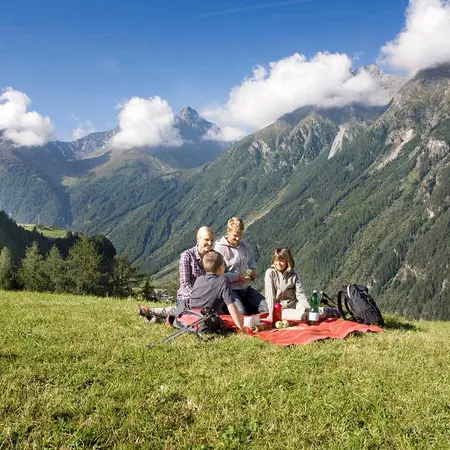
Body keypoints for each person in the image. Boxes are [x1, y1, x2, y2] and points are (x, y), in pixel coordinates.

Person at [138, 226, 215, 322]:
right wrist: (199, 297)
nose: (210, 243)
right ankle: (153, 312)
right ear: (198, 239)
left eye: (212, 240)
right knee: (195, 312)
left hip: (206, 298)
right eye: (207, 239)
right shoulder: (187, 256)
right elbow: (185, 284)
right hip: (188, 297)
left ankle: (158, 318)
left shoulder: (214, 257)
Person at [265, 247, 339, 321]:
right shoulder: (270, 273)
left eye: (281, 261)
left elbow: (300, 295)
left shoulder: (294, 275)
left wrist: (308, 308)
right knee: (303, 316)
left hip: (295, 304)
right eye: (276, 260)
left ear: (287, 261)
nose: (278, 263)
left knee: (311, 313)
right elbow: (270, 296)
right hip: (281, 309)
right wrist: (272, 314)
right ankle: (323, 312)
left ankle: (329, 311)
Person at [176, 250, 243, 330]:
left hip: (190, 313)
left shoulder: (199, 279)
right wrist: (241, 327)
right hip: (207, 318)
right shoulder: (223, 281)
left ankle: (172, 319)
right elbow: (231, 306)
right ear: (221, 268)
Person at [214, 217, 268, 316]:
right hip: (230, 290)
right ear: (228, 231)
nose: (238, 239)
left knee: (266, 308)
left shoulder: (247, 248)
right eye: (235, 235)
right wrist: (236, 277)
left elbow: (252, 266)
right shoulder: (219, 249)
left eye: (240, 235)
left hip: (246, 289)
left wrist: (252, 273)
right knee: (241, 313)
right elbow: (217, 276)